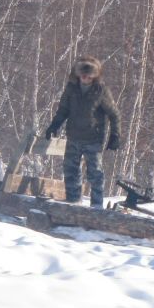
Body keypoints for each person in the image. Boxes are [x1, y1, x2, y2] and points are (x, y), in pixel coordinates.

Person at [44, 56, 121, 209]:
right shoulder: (71, 88)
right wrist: (54, 125)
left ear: (94, 75)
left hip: (93, 139)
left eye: (89, 74)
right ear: (78, 74)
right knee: (71, 172)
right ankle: (74, 204)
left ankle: (96, 207)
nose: (85, 77)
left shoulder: (101, 90)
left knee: (95, 174)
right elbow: (63, 110)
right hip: (73, 136)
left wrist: (115, 135)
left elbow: (114, 114)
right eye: (83, 74)